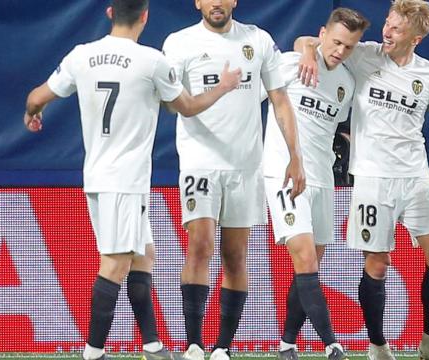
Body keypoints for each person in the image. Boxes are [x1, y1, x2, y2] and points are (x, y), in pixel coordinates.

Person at [23, 1, 241, 359]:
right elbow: (185, 106)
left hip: (97, 175)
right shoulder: (151, 61)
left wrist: (33, 114)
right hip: (125, 179)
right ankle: (93, 351)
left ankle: (153, 345)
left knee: (144, 255)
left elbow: (36, 96)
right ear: (145, 16)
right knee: (116, 263)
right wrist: (224, 86)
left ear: (110, 13)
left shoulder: (81, 56)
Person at [294, 1, 429, 359]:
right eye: (388, 24)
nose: (387, 32)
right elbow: (310, 39)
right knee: (378, 263)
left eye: (396, 29)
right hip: (373, 179)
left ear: (416, 38)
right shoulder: (364, 56)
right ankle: (377, 344)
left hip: (417, 176)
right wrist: (308, 54)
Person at [161, 1, 306, 360]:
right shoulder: (179, 43)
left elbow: (280, 99)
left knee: (236, 255)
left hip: (245, 166)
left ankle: (223, 347)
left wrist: (295, 156)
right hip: (199, 162)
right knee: (200, 245)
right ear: (197, 2)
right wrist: (222, 88)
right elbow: (171, 103)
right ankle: (193, 344)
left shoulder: (257, 40)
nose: (217, 3)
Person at [263, 7, 370, 360]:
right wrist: (306, 49)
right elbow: (262, 99)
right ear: (322, 34)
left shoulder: (347, 83)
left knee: (310, 264)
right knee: (305, 257)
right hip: (283, 173)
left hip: (323, 179)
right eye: (336, 41)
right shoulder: (292, 63)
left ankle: (287, 344)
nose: (340, 51)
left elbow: (334, 127)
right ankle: (331, 343)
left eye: (349, 46)